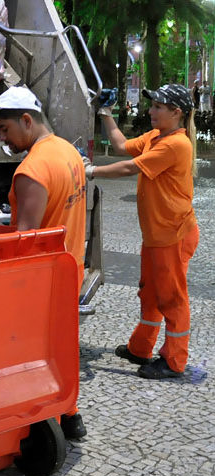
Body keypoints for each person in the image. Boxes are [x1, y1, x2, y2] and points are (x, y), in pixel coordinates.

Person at [0, 86, 88, 440]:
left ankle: (41, 421)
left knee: (33, 352)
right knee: (64, 345)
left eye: (5, 129)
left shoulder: (31, 170)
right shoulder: (68, 152)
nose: (2, 138)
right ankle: (70, 414)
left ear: (27, 120)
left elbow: (24, 239)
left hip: (41, 280)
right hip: (70, 268)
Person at [86, 84, 199, 380]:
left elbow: (127, 167)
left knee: (172, 298)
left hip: (173, 235)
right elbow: (122, 147)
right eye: (152, 105)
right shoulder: (156, 136)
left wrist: (90, 171)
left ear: (176, 113)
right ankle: (140, 348)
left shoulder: (176, 144)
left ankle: (174, 361)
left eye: (158, 106)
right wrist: (106, 114)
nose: (150, 110)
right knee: (150, 293)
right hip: (158, 235)